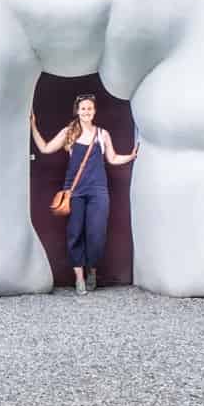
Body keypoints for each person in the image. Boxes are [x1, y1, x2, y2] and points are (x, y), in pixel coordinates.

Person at [30, 94, 139, 294]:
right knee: (74, 233)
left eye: (90, 108)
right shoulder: (69, 132)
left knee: (96, 234)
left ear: (94, 111)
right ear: (77, 111)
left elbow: (113, 158)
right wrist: (33, 127)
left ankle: (92, 272)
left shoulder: (102, 134)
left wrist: (131, 156)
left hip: (98, 190)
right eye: (83, 109)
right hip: (75, 191)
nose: (86, 112)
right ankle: (79, 278)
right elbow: (45, 148)